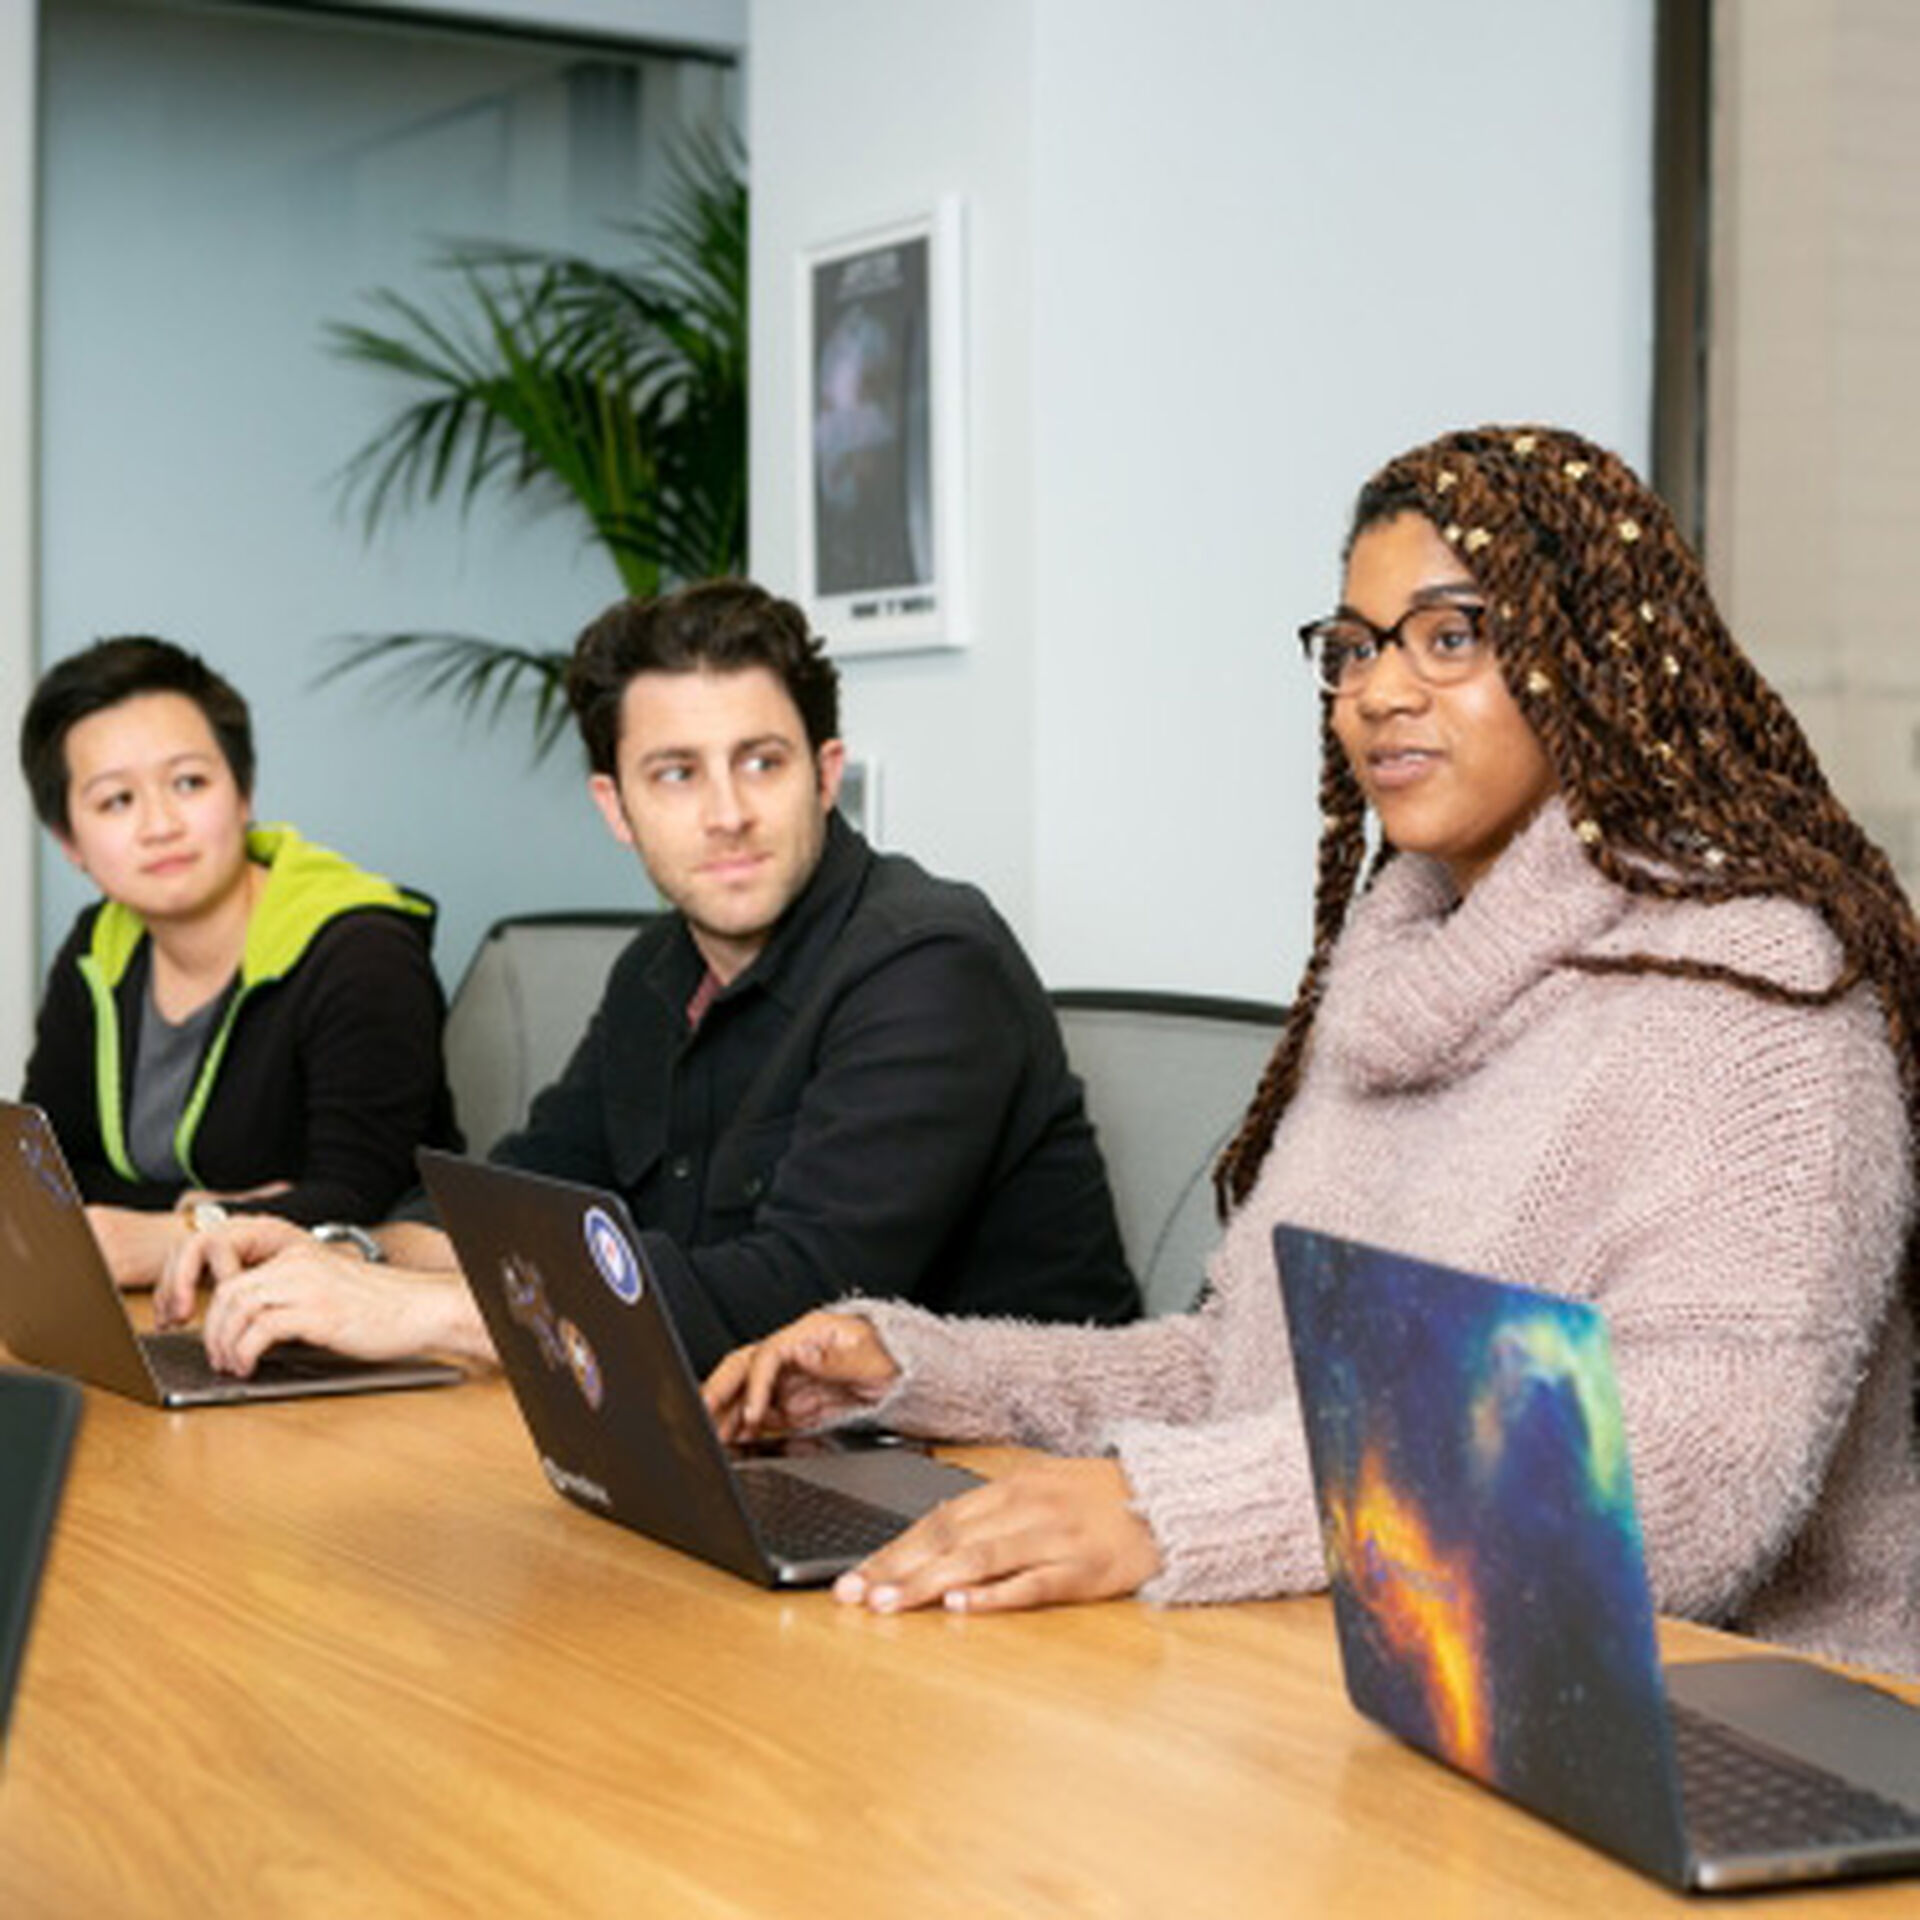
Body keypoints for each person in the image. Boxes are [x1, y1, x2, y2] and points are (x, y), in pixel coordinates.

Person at [703, 425, 1920, 1678]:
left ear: (1597, 661)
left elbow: (1694, 1482)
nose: (1378, 691)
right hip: (1402, 1673)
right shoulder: (1395, 980)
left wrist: (1170, 1509)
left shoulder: (1760, 992)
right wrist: (917, 1369)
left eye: (1452, 637)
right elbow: (1240, 1377)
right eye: (1354, 649)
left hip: (1728, 1710)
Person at [158, 580, 1138, 1375]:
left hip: (1000, 1479)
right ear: (615, 806)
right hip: (767, 1452)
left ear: (826, 774)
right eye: (675, 773)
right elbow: (519, 1200)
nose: (726, 812)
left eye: (761, 763)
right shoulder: (657, 970)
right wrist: (347, 1253)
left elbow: (795, 1299)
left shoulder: (929, 963)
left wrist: (417, 1313)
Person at [18, 635, 460, 1288]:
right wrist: (193, 1211)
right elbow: (48, 1177)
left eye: (189, 782)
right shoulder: (98, 945)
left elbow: (359, 1201)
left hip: (369, 1310)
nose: (161, 824)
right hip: (179, 1303)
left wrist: (182, 1233)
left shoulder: (363, 952)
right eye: (117, 800)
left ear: (243, 793)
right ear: (70, 842)